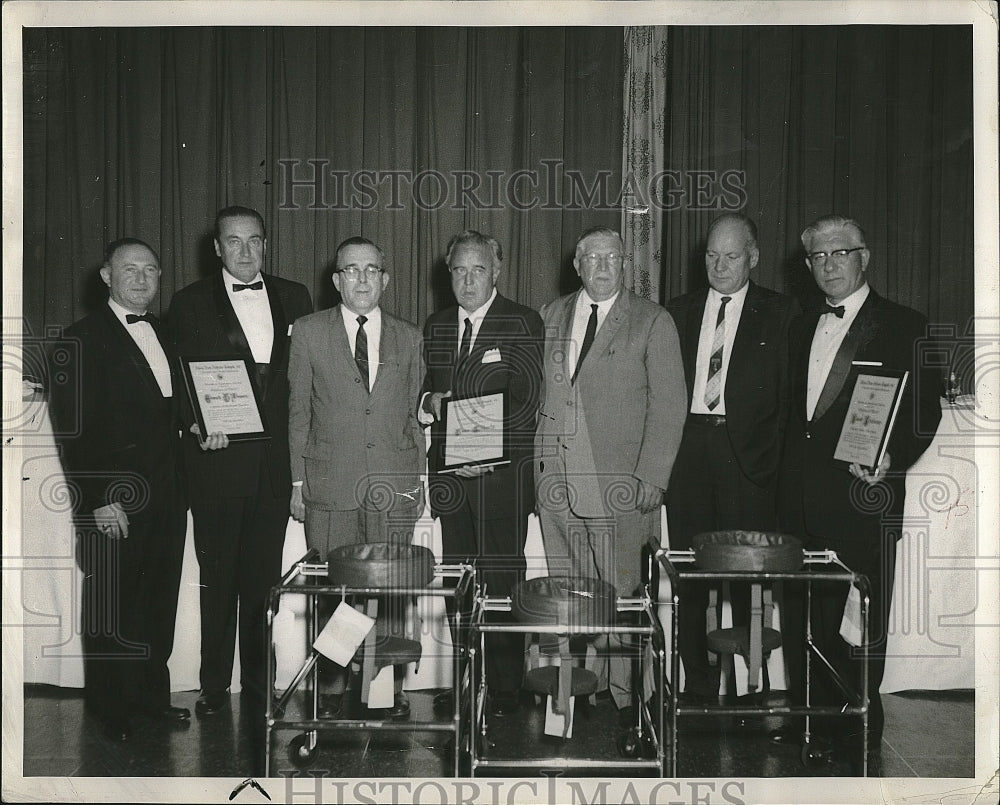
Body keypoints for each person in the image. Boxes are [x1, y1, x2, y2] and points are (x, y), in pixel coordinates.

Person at [775, 214, 941, 756]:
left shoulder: (904, 324)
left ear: (863, 256)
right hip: (800, 503)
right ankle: (810, 721)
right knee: (806, 619)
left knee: (859, 621)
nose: (829, 266)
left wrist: (892, 458)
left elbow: (924, 411)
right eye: (818, 257)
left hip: (862, 495)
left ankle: (860, 723)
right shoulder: (801, 323)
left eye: (839, 254)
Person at [534, 226, 687, 746]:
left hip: (620, 486)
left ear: (626, 264)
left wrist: (652, 476)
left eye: (612, 257)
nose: (601, 266)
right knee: (571, 596)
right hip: (556, 484)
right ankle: (580, 688)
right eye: (591, 257)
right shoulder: (551, 315)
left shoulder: (653, 320)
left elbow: (670, 407)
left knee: (623, 594)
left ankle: (631, 699)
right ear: (576, 265)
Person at [167, 206, 313, 714]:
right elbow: (176, 383)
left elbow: (304, 383)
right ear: (216, 248)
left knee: (262, 584)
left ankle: (258, 686)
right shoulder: (186, 303)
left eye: (254, 241)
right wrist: (196, 424)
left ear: (266, 244)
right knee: (219, 582)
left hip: (274, 468)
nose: (245, 251)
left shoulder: (296, 297)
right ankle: (211, 688)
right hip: (217, 464)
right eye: (234, 241)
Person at [48, 238, 189, 741]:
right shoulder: (79, 337)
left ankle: (151, 700)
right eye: (131, 269)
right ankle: (111, 710)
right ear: (106, 275)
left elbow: (175, 412)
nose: (142, 278)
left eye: (151, 269)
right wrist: (99, 499)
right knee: (112, 605)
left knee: (157, 601)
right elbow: (73, 430)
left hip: (168, 494)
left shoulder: (166, 333)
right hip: (114, 499)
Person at [288, 236, 424, 720]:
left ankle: (385, 690)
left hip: (394, 486)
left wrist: (417, 480)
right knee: (335, 592)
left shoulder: (410, 337)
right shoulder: (307, 331)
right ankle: (334, 687)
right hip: (331, 486)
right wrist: (298, 483)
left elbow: (413, 413)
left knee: (391, 592)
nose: (362, 279)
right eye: (352, 270)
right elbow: (298, 413)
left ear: (385, 279)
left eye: (371, 270)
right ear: (336, 279)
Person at [664, 214, 798, 702]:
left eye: (732, 256)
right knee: (692, 575)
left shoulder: (784, 313)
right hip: (688, 455)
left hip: (749, 461)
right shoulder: (676, 311)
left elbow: (787, 401)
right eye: (711, 256)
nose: (719, 266)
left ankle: (748, 686)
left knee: (746, 580)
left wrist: (771, 466)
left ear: (754, 258)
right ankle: (697, 683)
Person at [420, 230, 544, 718]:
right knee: (459, 582)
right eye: (459, 271)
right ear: (447, 274)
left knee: (501, 581)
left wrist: (488, 454)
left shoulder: (522, 321)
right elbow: (429, 392)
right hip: (451, 482)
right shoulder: (435, 325)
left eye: (478, 270)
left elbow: (527, 404)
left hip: (501, 483)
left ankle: (505, 688)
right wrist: (427, 402)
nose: (468, 281)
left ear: (496, 272)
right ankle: (469, 680)